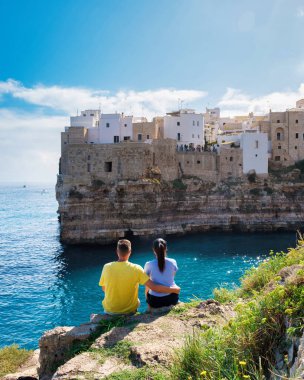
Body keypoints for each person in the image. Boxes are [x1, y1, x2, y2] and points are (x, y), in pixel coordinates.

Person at [99, 239, 180, 315]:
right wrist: (175, 289)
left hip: (110, 310)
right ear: (130, 252)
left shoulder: (106, 267)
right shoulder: (136, 268)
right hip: (130, 310)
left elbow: (104, 288)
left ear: (117, 251)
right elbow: (153, 286)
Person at [144, 238, 179, 308]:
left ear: (154, 250)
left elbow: (147, 285)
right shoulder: (173, 262)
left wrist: (147, 299)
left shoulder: (148, 264)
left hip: (155, 301)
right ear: (165, 249)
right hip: (172, 299)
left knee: (148, 288)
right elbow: (172, 277)